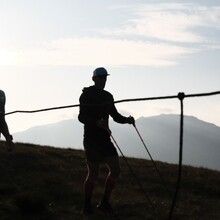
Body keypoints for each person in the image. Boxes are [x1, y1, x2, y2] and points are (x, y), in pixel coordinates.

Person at [78, 67, 135, 216]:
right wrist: (96, 122)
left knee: (116, 170)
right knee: (93, 173)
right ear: (94, 79)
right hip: (91, 139)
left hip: (104, 138)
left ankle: (104, 202)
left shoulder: (108, 96)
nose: (103, 80)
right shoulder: (86, 95)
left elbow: (115, 116)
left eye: (105, 78)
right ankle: (86, 205)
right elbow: (81, 117)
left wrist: (127, 120)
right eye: (101, 78)